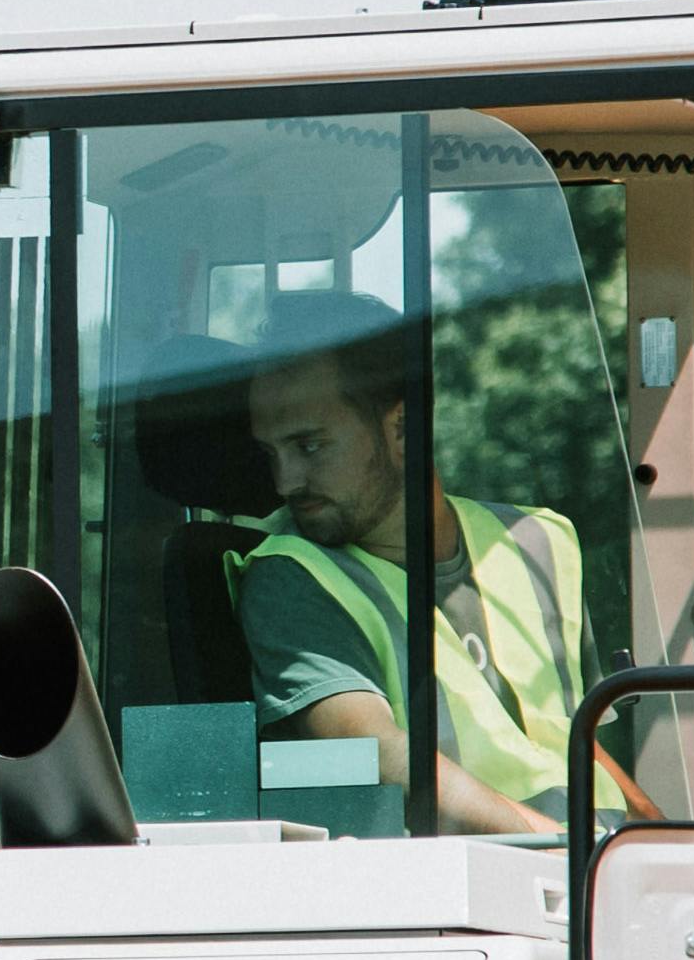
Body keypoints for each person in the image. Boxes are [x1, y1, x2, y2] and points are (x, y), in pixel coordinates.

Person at [232, 300, 630, 838]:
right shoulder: (291, 575)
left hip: (595, 868)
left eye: (309, 445)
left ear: (403, 427)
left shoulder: (538, 540)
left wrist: (669, 842)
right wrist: (570, 855)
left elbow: (582, 748)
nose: (285, 481)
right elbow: (381, 756)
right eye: (271, 452)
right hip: (483, 886)